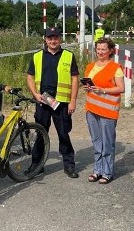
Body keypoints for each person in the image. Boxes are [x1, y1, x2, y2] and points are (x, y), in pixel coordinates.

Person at [26, 26, 80, 178]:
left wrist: (73, 101)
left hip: (61, 102)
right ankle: (37, 164)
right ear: (45, 40)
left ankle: (69, 165)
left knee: (63, 134)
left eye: (55, 37)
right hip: (42, 101)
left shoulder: (69, 55)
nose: (53, 41)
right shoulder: (37, 56)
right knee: (40, 134)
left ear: (60, 39)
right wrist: (35, 94)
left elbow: (75, 79)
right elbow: (29, 76)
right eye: (50, 38)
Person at [82, 38, 125, 185]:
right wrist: (88, 88)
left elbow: (121, 88)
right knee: (97, 142)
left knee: (107, 143)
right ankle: (97, 170)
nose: (100, 52)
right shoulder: (89, 67)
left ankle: (107, 172)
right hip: (91, 109)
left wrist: (103, 90)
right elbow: (91, 85)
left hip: (108, 111)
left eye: (103, 49)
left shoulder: (115, 68)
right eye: (98, 49)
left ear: (110, 51)